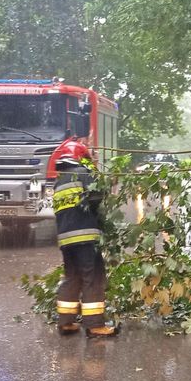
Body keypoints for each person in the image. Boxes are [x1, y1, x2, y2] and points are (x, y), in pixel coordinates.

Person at [51, 138, 118, 338]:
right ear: (81, 158)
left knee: (72, 277)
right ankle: (95, 325)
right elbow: (97, 197)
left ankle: (66, 322)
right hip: (85, 237)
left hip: (65, 240)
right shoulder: (83, 173)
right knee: (93, 278)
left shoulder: (59, 182)